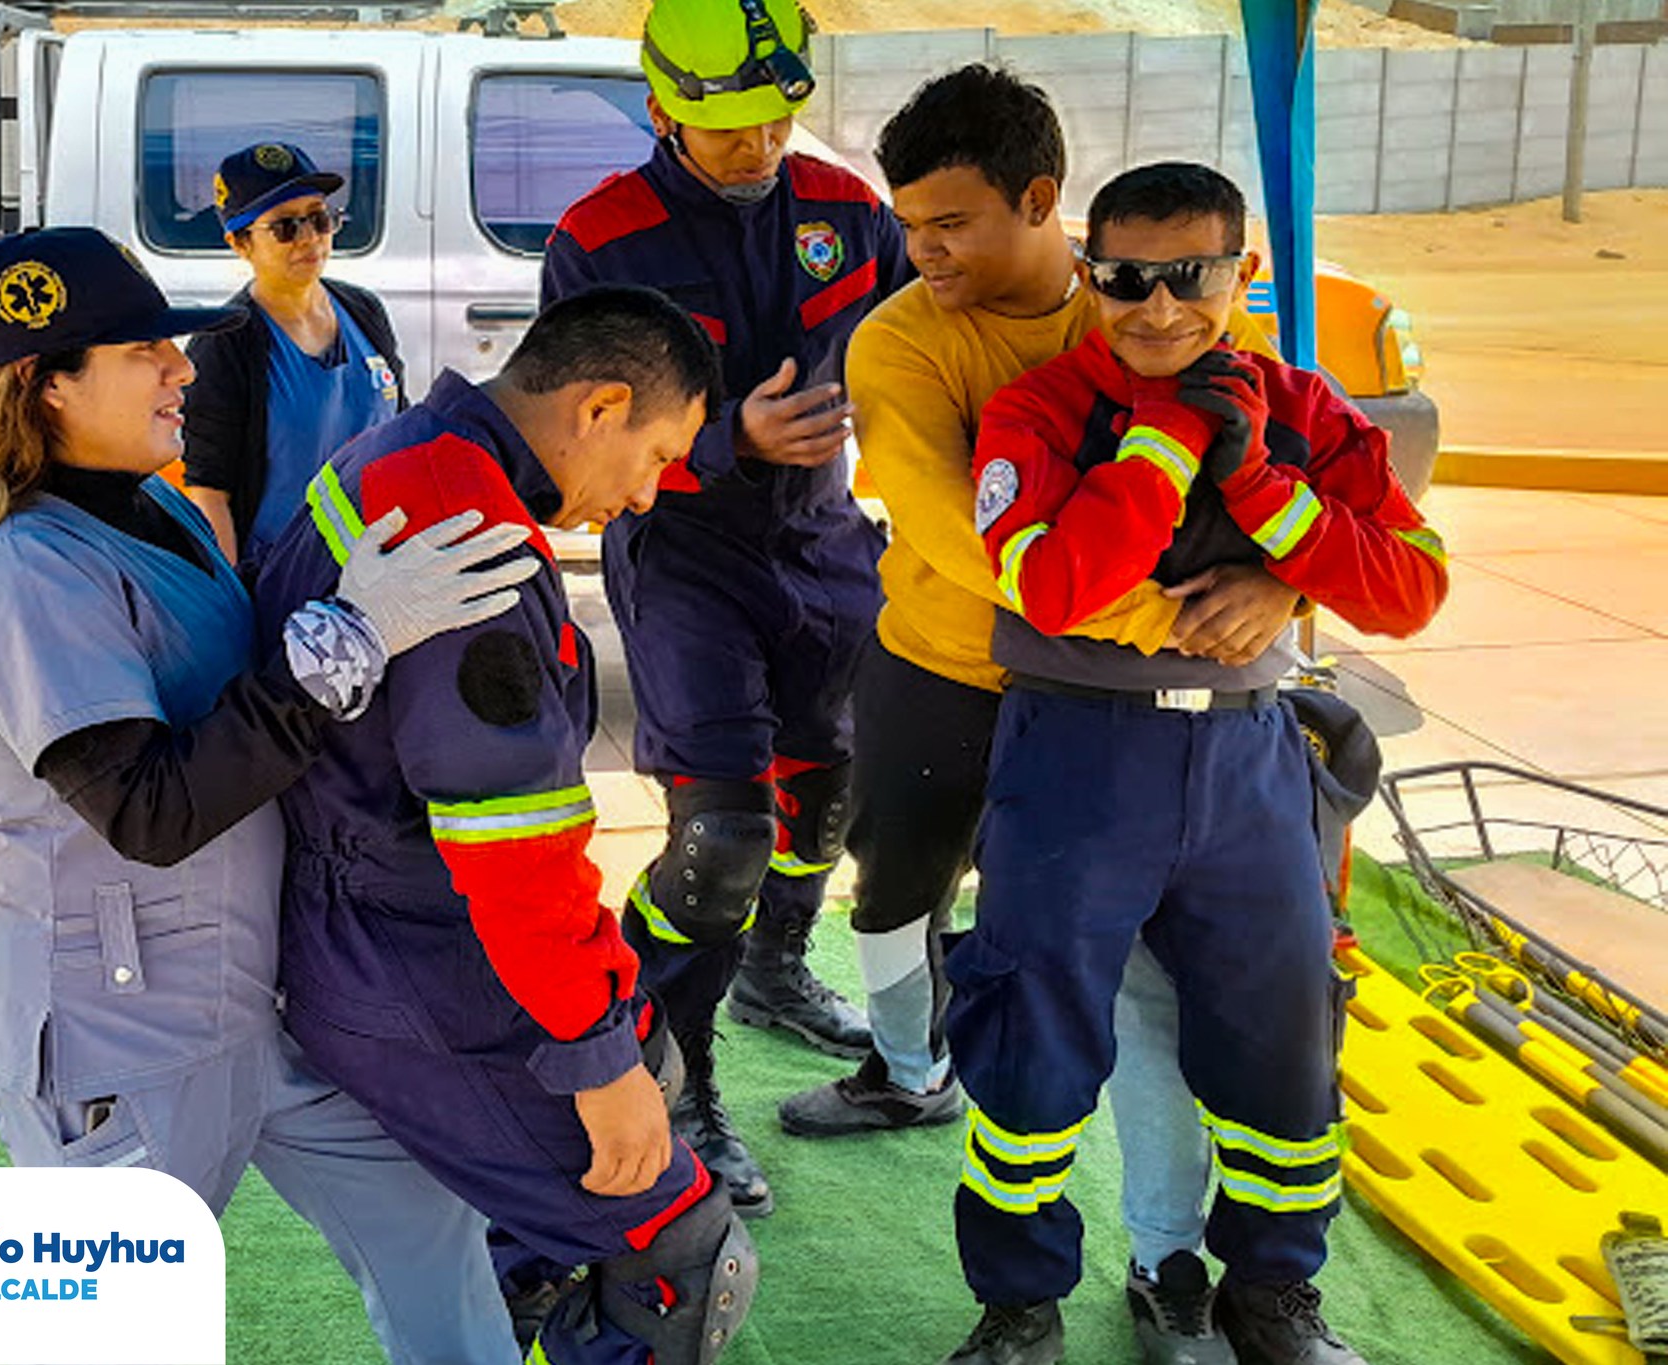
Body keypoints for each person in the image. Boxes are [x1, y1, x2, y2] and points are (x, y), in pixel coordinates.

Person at [0, 226, 533, 1365]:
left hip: (246, 1000)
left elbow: (237, 690)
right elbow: (149, 810)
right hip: (115, 1040)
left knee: (424, 1221)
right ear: (48, 387)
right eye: (146, 352)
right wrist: (347, 639)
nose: (182, 371)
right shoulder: (18, 572)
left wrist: (354, 610)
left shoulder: (155, 515)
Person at [792, 64, 1303, 1365]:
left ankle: (1162, 1259)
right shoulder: (903, 340)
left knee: (1136, 983)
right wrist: (1180, 622)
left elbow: (1274, 469)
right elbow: (971, 536)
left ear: (1041, 201)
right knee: (899, 899)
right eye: (908, 225)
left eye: (950, 223)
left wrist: (1278, 585)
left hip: (1109, 715)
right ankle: (908, 1071)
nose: (924, 252)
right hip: (951, 673)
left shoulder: (1145, 302)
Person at [941, 162, 1448, 1365]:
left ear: (1241, 275)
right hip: (1077, 754)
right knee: (1032, 1036)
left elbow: (1411, 587)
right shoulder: (1041, 407)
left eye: (1189, 277)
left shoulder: (1306, 408)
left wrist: (1275, 525)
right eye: (1124, 279)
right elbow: (1055, 585)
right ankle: (1018, 1308)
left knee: (1283, 1036)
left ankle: (1269, 1300)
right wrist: (1172, 437)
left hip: (1247, 758)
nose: (1157, 309)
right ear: (1088, 273)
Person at [253, 285, 760, 1365]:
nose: (647, 495)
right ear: (599, 407)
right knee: (683, 1256)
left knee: (628, 1108)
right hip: (408, 954)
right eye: (659, 455)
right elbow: (512, 855)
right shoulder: (466, 527)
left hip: (372, 924)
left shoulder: (412, 456)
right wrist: (593, 1058)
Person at [541, 0, 911, 1218]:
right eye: (725, 127)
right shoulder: (603, 237)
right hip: (685, 552)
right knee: (720, 837)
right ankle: (675, 1069)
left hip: (824, 544)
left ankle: (776, 969)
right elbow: (574, 416)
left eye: (773, 119)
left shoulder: (850, 211)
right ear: (660, 111)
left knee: (830, 787)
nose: (756, 146)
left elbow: (920, 339)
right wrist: (725, 446)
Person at [182, 140, 404, 573]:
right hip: (280, 580)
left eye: (319, 220)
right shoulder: (226, 342)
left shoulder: (364, 312)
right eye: (285, 227)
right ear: (240, 244)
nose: (309, 239)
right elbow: (209, 490)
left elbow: (398, 437)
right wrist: (229, 602)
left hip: (380, 574)